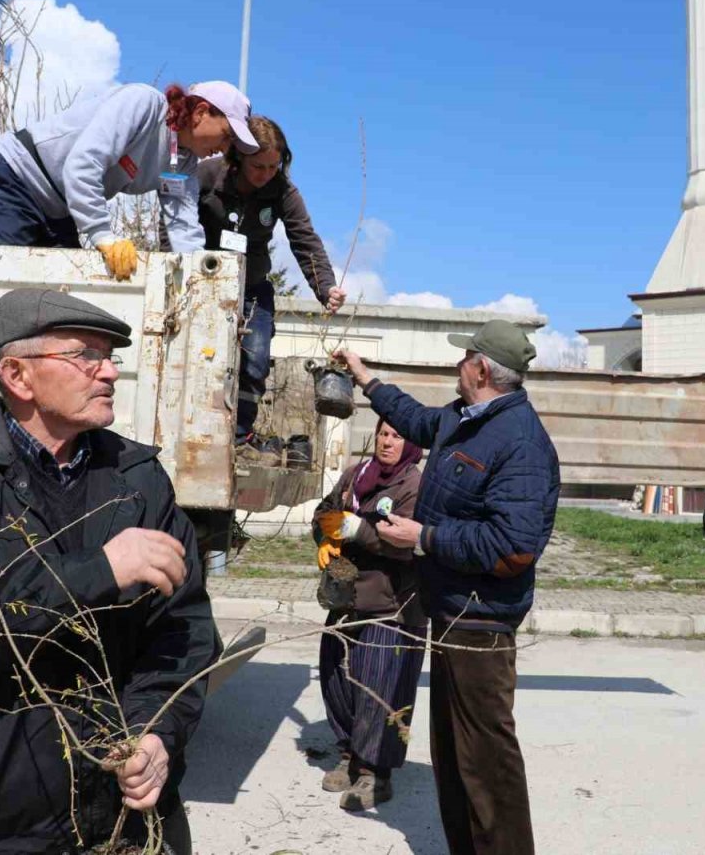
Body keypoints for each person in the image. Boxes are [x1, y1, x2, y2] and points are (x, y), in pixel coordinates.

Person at [0, 288, 217, 855]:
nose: (108, 372)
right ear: (17, 375)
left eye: (111, 357)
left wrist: (156, 732)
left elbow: (183, 631)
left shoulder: (139, 481)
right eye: (85, 354)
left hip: (124, 818)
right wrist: (97, 572)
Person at [334, 318, 559, 855]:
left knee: (486, 761)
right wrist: (365, 377)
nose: (456, 365)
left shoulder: (520, 443)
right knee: (454, 753)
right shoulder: (466, 418)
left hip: (480, 623)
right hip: (451, 612)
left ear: (480, 369)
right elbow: (412, 417)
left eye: (464, 359)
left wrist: (424, 537)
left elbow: (513, 549)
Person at [0, 81, 257, 280]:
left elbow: (182, 224)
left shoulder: (183, 162)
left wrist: (198, 275)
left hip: (59, 209)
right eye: (228, 134)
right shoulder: (143, 105)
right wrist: (102, 234)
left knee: (62, 305)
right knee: (3, 292)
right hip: (12, 180)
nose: (226, 147)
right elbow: (83, 164)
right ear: (202, 113)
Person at [198, 115, 344, 451]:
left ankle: (240, 435)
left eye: (273, 166)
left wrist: (326, 288)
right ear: (238, 158)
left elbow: (305, 240)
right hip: (204, 284)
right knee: (206, 357)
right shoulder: (206, 176)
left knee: (256, 359)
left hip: (252, 287)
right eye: (258, 166)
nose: (266, 174)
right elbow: (173, 221)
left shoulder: (283, 190)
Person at [312, 419, 425, 811]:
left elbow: (406, 544)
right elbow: (326, 510)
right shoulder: (355, 475)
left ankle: (376, 773)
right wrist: (327, 534)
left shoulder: (415, 486)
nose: (386, 441)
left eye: (396, 435)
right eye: (382, 433)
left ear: (411, 443)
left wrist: (359, 531)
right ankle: (349, 755)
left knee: (380, 689)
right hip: (345, 600)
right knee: (337, 679)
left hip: (392, 607)